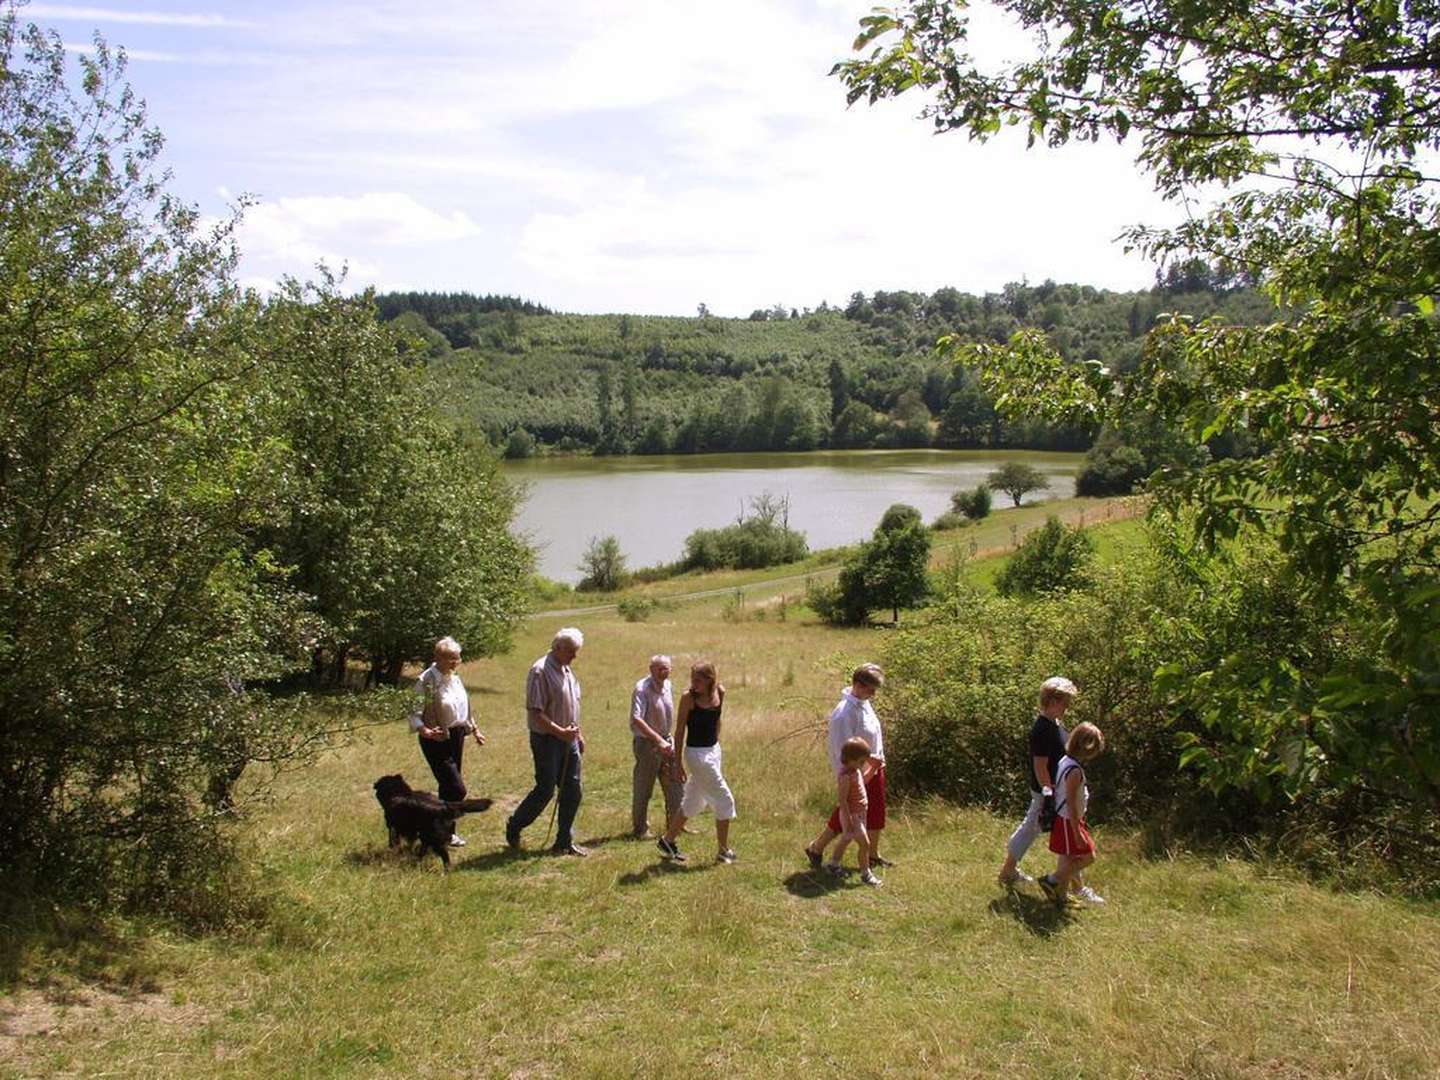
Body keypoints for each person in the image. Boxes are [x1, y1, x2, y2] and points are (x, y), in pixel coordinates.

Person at [506, 627, 587, 856]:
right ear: (558, 647)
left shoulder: (567, 670)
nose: (575, 656)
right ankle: (515, 825)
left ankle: (564, 841)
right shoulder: (540, 671)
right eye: (571, 651)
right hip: (546, 740)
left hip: (567, 739)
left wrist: (576, 734)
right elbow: (536, 712)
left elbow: (572, 706)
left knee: (573, 790)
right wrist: (559, 731)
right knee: (545, 789)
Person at [803, 663, 889, 870]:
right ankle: (817, 847)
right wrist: (862, 774)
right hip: (857, 772)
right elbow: (844, 753)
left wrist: (877, 763)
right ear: (857, 685)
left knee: (875, 811)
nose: (873, 694)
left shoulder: (863, 702)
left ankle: (872, 855)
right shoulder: (843, 714)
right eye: (870, 689)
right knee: (850, 812)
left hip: (874, 766)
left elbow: (872, 733)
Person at [996, 675, 1076, 889]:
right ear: (1051, 701)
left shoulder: (1055, 723)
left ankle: (1066, 881)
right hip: (1046, 791)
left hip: (1056, 789)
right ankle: (1008, 871)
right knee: (1032, 827)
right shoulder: (1042, 729)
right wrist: (1048, 793)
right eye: (1064, 701)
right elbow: (1040, 765)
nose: (1067, 706)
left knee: (1056, 830)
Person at [656, 661, 737, 864]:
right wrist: (678, 763)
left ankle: (667, 840)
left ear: (710, 680)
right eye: (692, 679)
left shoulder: (720, 691)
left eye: (698, 680)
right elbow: (680, 730)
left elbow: (718, 719)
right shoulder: (688, 698)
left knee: (694, 800)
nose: (694, 684)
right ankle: (723, 850)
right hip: (696, 755)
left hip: (713, 751)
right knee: (725, 800)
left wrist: (716, 743)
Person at [410, 636, 485, 847]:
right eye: (451, 658)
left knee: (447, 787)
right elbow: (413, 711)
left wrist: (475, 730)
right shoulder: (426, 680)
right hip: (435, 738)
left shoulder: (454, 677)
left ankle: (445, 833)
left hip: (456, 736)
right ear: (438, 658)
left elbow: (464, 708)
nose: (455, 662)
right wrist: (423, 729)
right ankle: (433, 826)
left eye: (458, 658)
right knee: (457, 788)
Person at [1039, 722, 1106, 907]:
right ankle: (1052, 880)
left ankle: (1060, 897)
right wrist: (1077, 832)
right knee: (1088, 856)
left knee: (1068, 857)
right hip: (1069, 821)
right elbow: (1070, 801)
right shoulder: (1075, 771)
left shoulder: (1065, 761)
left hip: (1066, 819)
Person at [630, 654, 681, 839]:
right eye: (659, 668)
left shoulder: (668, 685)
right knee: (644, 787)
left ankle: (676, 825)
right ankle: (640, 829)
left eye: (666, 668)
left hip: (667, 741)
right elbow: (637, 719)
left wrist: (666, 740)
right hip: (647, 744)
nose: (663, 672)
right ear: (651, 670)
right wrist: (657, 740)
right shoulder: (641, 689)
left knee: (675, 785)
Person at [827, 736, 882, 886]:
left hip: (860, 813)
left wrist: (873, 768)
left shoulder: (855, 771)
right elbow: (843, 800)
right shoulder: (845, 776)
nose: (863, 764)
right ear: (849, 759)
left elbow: (861, 782)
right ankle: (866, 874)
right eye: (861, 761)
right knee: (865, 843)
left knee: (846, 838)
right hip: (852, 815)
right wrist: (849, 820)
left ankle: (833, 864)